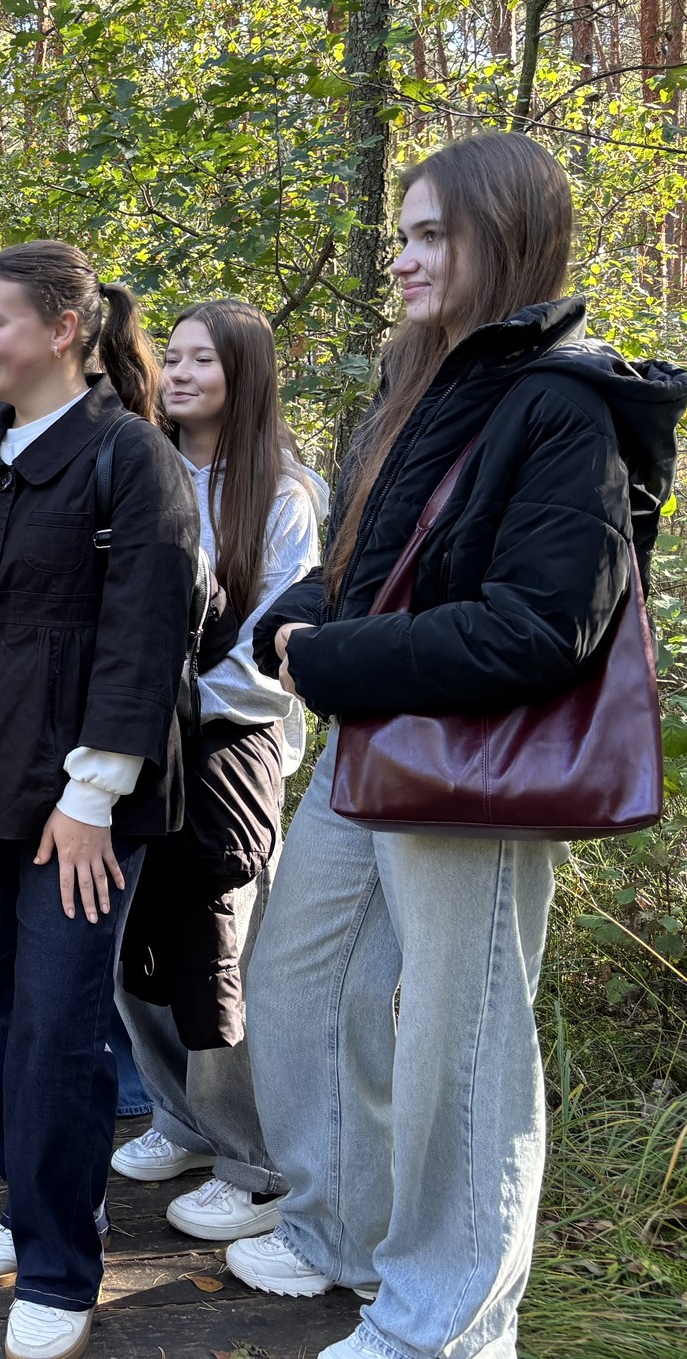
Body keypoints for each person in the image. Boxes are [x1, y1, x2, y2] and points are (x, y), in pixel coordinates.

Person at [238, 132, 687, 1359]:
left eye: (429, 234)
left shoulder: (561, 402)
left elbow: (541, 627)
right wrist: (299, 619)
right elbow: (378, 570)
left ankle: (449, 1322)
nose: (399, 260)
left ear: (507, 237)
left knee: (459, 1042)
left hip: (475, 766)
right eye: (399, 234)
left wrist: (328, 662)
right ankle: (339, 1230)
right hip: (375, 740)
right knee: (303, 980)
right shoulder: (425, 380)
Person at [0, 240, 198, 1359]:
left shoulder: (127, 460)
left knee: (61, 1029)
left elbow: (144, 638)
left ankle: (63, 1267)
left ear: (62, 331)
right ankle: (32, 1208)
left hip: (78, 807)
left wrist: (92, 795)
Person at [109, 299, 323, 1245]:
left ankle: (253, 1159)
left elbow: (279, 641)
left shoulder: (282, 494)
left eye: (205, 359)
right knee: (126, 940)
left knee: (219, 950)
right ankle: (182, 1118)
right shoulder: (137, 467)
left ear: (247, 374)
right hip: (131, 743)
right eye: (175, 357)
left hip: (232, 743)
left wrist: (182, 705)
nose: (182, 373)